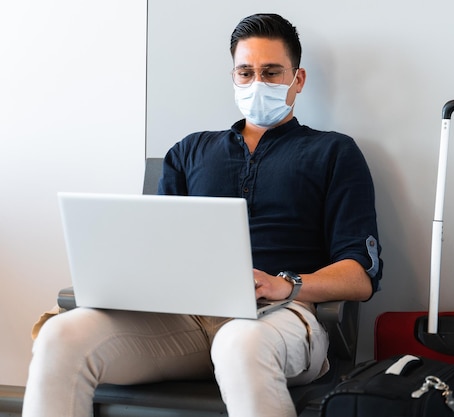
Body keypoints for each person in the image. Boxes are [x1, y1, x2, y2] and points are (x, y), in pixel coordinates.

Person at [22, 13, 382, 417]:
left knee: (238, 343)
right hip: (185, 320)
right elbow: (156, 250)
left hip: (282, 319)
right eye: (245, 72)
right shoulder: (190, 151)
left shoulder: (334, 153)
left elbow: (360, 276)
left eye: (271, 72)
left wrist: (288, 284)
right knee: (60, 335)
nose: (256, 83)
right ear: (233, 77)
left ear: (297, 80)